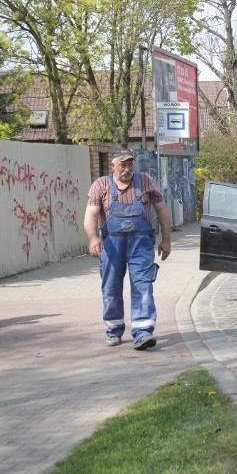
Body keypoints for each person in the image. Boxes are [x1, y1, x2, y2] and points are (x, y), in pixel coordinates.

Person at [83, 148, 171, 350]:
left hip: (141, 245)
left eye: (130, 164)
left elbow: (162, 210)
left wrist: (166, 240)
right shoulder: (101, 185)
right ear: (112, 165)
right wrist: (93, 238)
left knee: (143, 285)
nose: (127, 168)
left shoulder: (145, 181)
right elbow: (90, 215)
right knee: (111, 288)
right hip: (112, 245)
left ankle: (143, 332)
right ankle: (114, 329)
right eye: (122, 164)